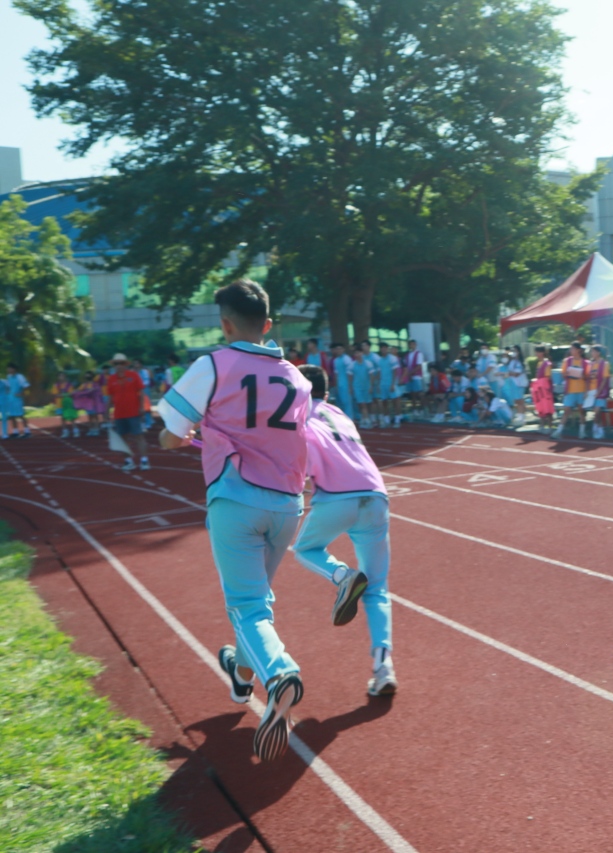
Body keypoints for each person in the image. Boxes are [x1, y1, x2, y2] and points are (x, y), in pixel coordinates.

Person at [156, 279, 312, 762]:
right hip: (287, 505)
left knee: (247, 607)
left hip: (237, 498)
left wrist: (176, 439)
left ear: (225, 324)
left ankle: (279, 673)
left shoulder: (214, 364)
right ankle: (242, 676)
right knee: (256, 602)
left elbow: (171, 432)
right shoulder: (298, 378)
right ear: (268, 325)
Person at [291, 364, 396, 696]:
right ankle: (384, 668)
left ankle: (342, 576)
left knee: (305, 549)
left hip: (337, 497)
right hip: (376, 495)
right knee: (377, 588)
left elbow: (304, 465)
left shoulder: (298, 416)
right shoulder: (339, 413)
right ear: (325, 392)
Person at [104, 354, 149, 469]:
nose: (118, 366)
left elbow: (141, 393)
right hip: (119, 414)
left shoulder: (134, 375)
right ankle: (128, 461)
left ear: (125, 364)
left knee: (138, 436)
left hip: (134, 412)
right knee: (123, 438)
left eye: (121, 363)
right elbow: (110, 397)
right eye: (116, 364)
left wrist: (142, 407)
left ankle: (144, 460)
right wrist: (107, 411)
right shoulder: (111, 379)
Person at [554, 343, 588, 439]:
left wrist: (581, 375)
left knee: (582, 411)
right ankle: (558, 431)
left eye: (573, 349)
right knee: (566, 411)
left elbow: (587, 377)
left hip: (581, 390)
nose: (571, 351)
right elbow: (563, 374)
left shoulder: (585, 362)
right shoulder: (567, 361)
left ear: (578, 350)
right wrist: (568, 373)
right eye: (571, 349)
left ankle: (582, 432)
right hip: (570, 390)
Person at [585, 345, 611, 439]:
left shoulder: (604, 364)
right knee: (596, 412)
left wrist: (598, 392)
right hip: (591, 391)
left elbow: (604, 379)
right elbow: (588, 378)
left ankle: (595, 428)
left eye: (593, 351)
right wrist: (587, 391)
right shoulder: (590, 364)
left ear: (598, 352)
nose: (592, 353)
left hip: (600, 391)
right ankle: (599, 429)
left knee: (597, 411)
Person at [349, 347, 375, 428]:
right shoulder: (352, 365)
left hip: (367, 387)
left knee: (367, 404)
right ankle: (366, 421)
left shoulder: (368, 363)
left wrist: (371, 386)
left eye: (359, 352)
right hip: (357, 387)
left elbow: (371, 376)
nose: (358, 354)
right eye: (356, 353)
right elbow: (350, 377)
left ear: (362, 353)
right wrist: (351, 387)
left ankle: (366, 419)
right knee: (361, 404)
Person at [401, 339, 425, 419]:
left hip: (417, 376)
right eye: (410, 344)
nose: (411, 345)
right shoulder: (407, 355)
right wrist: (407, 375)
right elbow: (405, 366)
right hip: (409, 377)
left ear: (415, 345)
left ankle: (422, 410)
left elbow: (419, 366)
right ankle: (414, 410)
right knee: (412, 394)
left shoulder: (419, 354)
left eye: (413, 344)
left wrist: (410, 374)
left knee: (419, 394)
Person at [330, 343, 355, 418]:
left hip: (346, 384)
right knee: (341, 402)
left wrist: (350, 385)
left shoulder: (347, 359)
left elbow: (350, 373)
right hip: (340, 385)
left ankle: (350, 418)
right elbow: (336, 374)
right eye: (337, 349)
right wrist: (336, 385)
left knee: (347, 402)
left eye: (340, 349)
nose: (339, 350)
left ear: (343, 350)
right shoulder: (336, 360)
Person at [6, 364, 31, 438]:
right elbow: (8, 386)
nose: (8, 370)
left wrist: (22, 394)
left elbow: (26, 386)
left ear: (14, 369)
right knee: (12, 416)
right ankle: (15, 432)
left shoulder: (20, 377)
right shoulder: (8, 377)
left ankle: (27, 431)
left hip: (17, 399)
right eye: (8, 369)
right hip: (10, 399)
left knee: (20, 415)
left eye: (10, 368)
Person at [54, 371, 79, 437]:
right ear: (57, 377)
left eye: (63, 376)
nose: (61, 377)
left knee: (71, 417)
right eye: (60, 376)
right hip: (60, 404)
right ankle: (65, 431)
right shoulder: (56, 385)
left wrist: (62, 395)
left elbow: (71, 393)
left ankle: (75, 431)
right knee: (62, 418)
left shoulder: (69, 385)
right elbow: (55, 395)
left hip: (68, 404)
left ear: (65, 377)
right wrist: (64, 394)